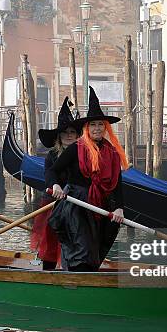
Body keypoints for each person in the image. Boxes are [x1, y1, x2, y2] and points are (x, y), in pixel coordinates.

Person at [48, 87, 129, 272]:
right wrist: (55, 185)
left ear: (105, 127)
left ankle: (89, 278)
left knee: (99, 246)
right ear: (86, 128)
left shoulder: (112, 153)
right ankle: (74, 281)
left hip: (101, 203)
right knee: (81, 248)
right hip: (75, 204)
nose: (97, 128)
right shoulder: (75, 148)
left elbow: (117, 183)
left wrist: (119, 207)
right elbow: (53, 170)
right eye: (93, 125)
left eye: (100, 125)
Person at [30, 97, 82, 270]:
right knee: (50, 239)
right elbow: (49, 173)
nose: (68, 135)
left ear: (77, 135)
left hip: (78, 202)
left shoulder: (84, 155)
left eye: (72, 132)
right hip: (54, 202)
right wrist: (56, 187)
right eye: (65, 132)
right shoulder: (52, 155)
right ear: (59, 135)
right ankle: (49, 269)